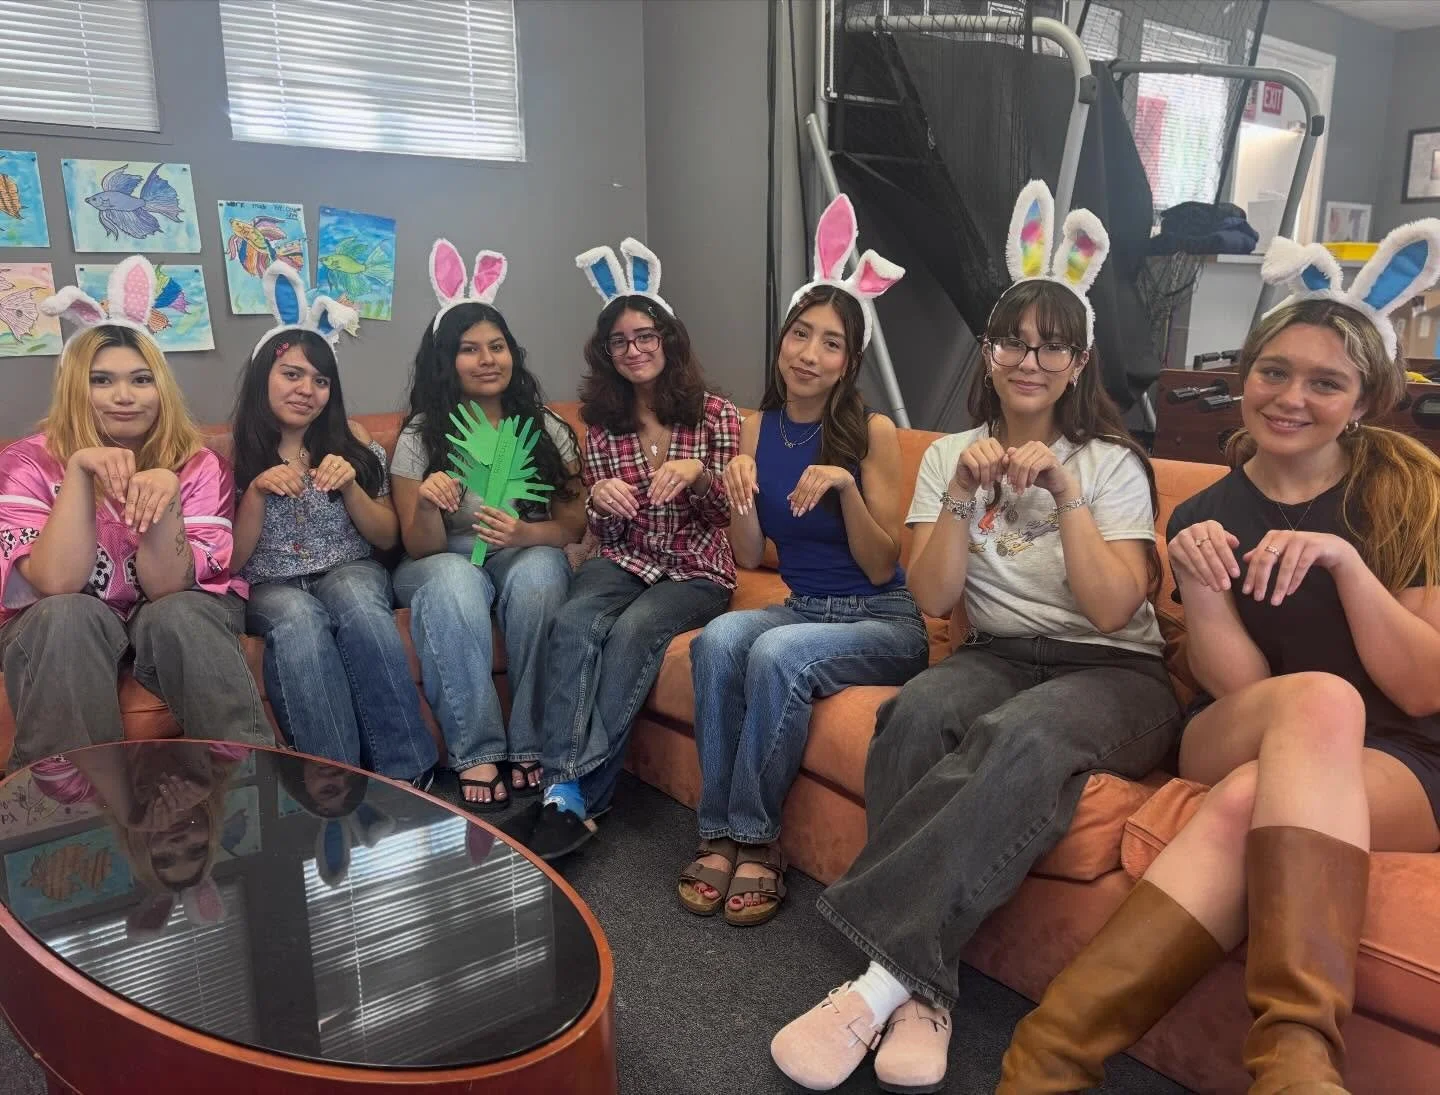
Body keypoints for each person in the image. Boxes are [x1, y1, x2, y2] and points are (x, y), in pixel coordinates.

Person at [998, 226, 1440, 1094]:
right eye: (1273, 372)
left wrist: (1348, 567)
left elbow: (1421, 687)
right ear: (1245, 377)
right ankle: (1297, 1059)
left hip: (1398, 754)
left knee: (1252, 796)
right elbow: (1240, 693)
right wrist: (1200, 585)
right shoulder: (1205, 510)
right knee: (1315, 703)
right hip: (1233, 727)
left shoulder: (1409, 492)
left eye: (1326, 382)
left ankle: (1044, 1060)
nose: (1290, 397)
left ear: (1362, 398)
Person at [769, 182, 1181, 1093]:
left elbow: (1117, 611)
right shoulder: (950, 456)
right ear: (989, 353)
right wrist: (959, 496)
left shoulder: (1112, 463)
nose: (1029, 359)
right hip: (996, 652)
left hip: (1116, 671)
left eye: (1051, 345)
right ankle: (928, 988)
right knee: (915, 712)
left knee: (1022, 737)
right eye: (1013, 342)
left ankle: (880, 977)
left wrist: (1066, 499)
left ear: (1078, 361)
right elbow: (935, 596)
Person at [679, 195, 929, 926]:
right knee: (719, 639)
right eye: (800, 334)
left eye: (829, 343)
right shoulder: (757, 426)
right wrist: (738, 497)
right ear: (782, 341)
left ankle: (756, 841)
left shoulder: (872, 431)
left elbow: (885, 567)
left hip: (882, 619)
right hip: (803, 605)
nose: (808, 354)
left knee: (778, 655)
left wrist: (847, 487)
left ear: (849, 363)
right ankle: (717, 830)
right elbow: (754, 553)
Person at [0, 257, 269, 772]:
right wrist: (78, 473)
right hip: (65, 626)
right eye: (102, 381)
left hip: (165, 614)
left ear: (160, 390)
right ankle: (70, 819)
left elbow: (170, 589)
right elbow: (56, 584)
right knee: (67, 614)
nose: (123, 397)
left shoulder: (199, 465)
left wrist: (166, 495)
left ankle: (247, 782)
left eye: (141, 380)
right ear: (77, 389)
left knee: (182, 613)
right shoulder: (26, 462)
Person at [519, 238, 739, 860]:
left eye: (645, 336)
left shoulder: (716, 415)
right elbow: (606, 533)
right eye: (620, 341)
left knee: (634, 632)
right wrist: (599, 502)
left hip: (696, 568)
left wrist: (700, 477)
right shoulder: (600, 426)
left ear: (668, 341)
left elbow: (727, 520)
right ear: (606, 354)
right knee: (572, 620)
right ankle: (568, 793)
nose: (635, 350)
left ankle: (565, 790)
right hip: (624, 558)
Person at [389, 242, 584, 809]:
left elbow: (572, 523)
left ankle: (531, 742)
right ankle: (476, 752)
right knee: (455, 581)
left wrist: (526, 535)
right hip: (439, 559)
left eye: (497, 347)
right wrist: (427, 503)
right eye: (470, 350)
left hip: (522, 549)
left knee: (544, 573)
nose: (487, 359)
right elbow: (416, 546)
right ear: (446, 361)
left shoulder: (546, 428)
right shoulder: (420, 435)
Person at [230, 263, 437, 786]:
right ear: (264, 379)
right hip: (270, 583)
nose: (306, 390)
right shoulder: (229, 458)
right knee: (299, 620)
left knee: (361, 609)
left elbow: (389, 538)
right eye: (292, 375)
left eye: (320, 380)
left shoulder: (355, 446)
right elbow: (229, 561)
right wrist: (255, 492)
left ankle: (407, 774)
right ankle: (333, 780)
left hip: (351, 567)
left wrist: (349, 486)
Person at [28, 739, 247, 933]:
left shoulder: (70, 785)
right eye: (196, 850)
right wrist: (192, 761)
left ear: (137, 848)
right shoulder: (230, 748)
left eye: (164, 858)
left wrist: (126, 805)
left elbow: (52, 721)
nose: (178, 843)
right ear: (212, 828)